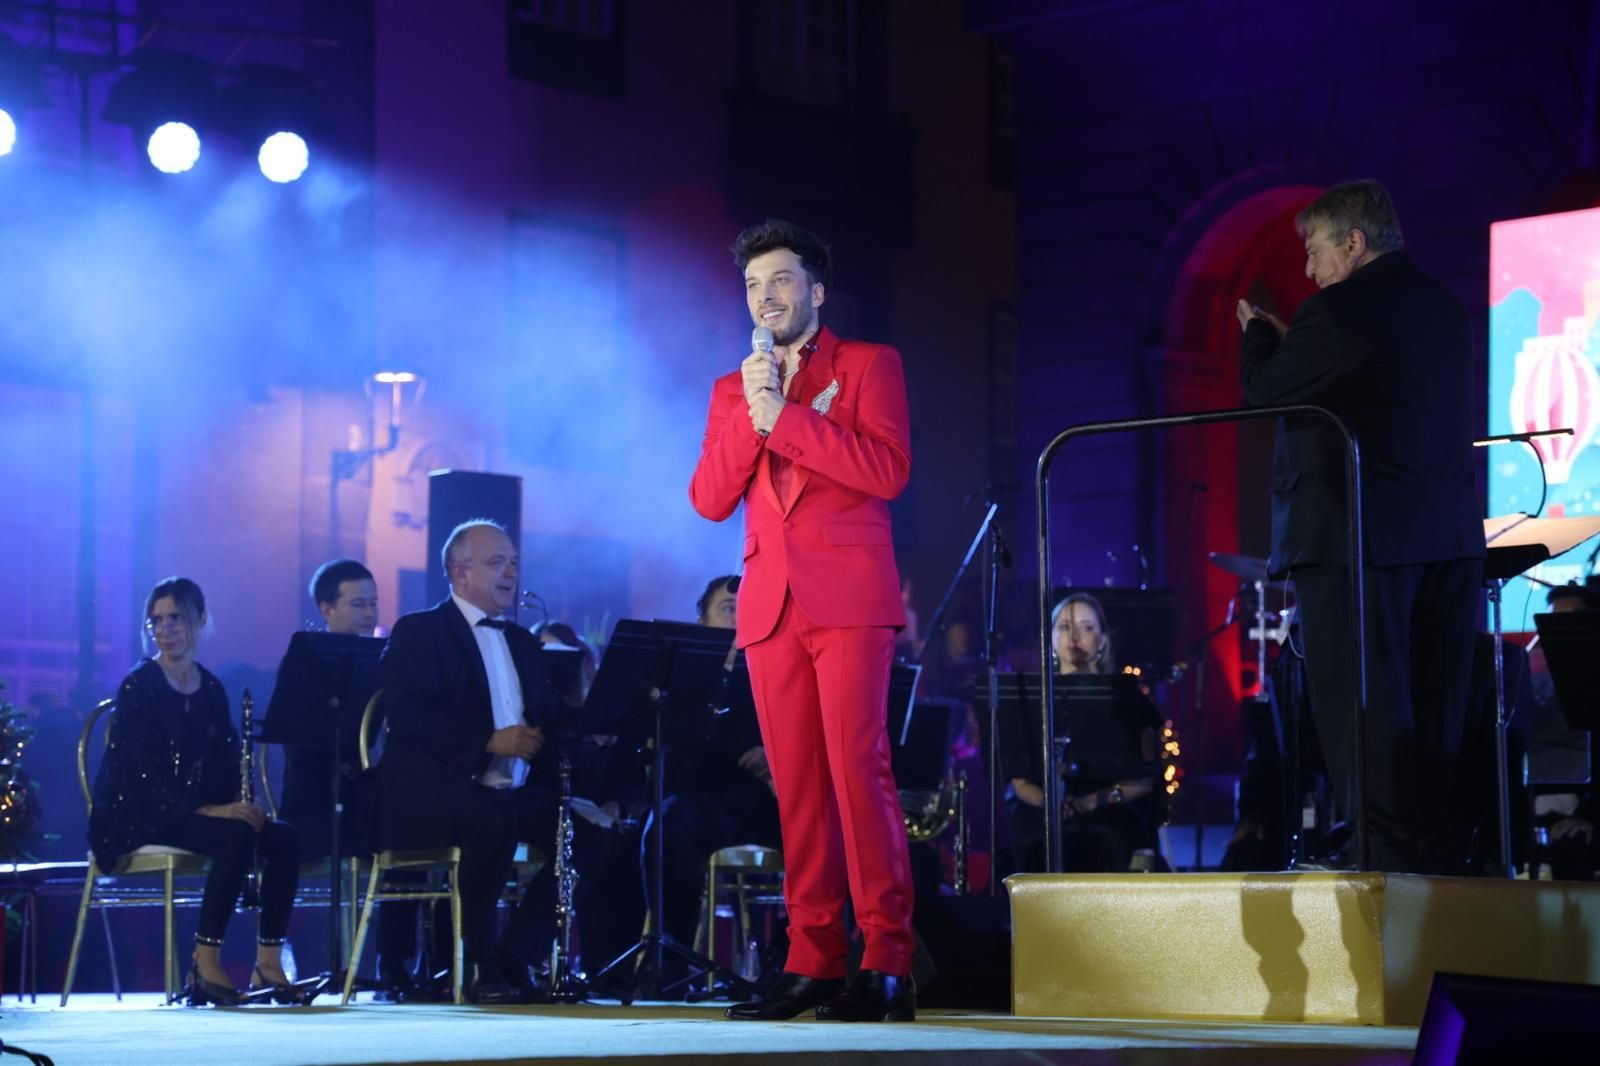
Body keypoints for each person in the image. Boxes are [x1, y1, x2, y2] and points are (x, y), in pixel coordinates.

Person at [690, 219, 916, 1022]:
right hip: (769, 605)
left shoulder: (867, 365)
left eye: (781, 280)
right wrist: (755, 415)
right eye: (754, 285)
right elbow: (710, 499)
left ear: (816, 290)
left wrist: (784, 416)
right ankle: (813, 959)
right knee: (799, 792)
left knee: (860, 773)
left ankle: (887, 956)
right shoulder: (733, 387)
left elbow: (885, 470)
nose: (767, 296)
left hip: (850, 596)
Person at [1237, 179, 1485, 874]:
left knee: (1361, 710)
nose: (1310, 269)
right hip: (1446, 541)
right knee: (1432, 710)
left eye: (1315, 249)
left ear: (1353, 242)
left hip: (1359, 543)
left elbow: (1265, 391)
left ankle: (1377, 859)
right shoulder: (1443, 307)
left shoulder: (1338, 311)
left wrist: (1258, 333)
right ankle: (1430, 862)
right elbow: (1371, 388)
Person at [88, 577, 303, 1006]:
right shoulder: (140, 685)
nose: (164, 630)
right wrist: (213, 810)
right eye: (156, 621)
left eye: (175, 619)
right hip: (141, 812)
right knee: (234, 835)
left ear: (200, 621)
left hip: (197, 813)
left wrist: (241, 806)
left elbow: (223, 766)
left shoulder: (210, 688)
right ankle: (205, 963)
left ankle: (268, 961)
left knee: (283, 837)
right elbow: (136, 777)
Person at [374, 520, 549, 1004]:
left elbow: (549, 723)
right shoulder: (420, 631)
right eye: (497, 562)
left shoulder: (524, 643)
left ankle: (516, 955)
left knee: (591, 831)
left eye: (513, 561)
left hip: (507, 792)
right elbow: (409, 715)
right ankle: (477, 965)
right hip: (432, 793)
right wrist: (490, 740)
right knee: (493, 818)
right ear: (458, 571)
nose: (510, 571)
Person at [642, 574, 782, 993]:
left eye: (746, 609)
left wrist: (771, 756)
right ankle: (673, 962)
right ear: (702, 622)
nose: (740, 618)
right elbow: (684, 744)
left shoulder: (773, 668)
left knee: (827, 830)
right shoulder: (681, 676)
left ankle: (790, 963)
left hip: (764, 799)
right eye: (728, 609)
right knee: (666, 827)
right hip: (703, 799)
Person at [1005, 594, 1164, 873]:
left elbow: (1145, 779)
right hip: (1044, 806)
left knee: (1110, 837)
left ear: (1102, 639)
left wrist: (1087, 803)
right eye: (1065, 627)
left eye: (1086, 627)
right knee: (1025, 837)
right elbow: (1020, 781)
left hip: (1109, 807)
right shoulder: (1030, 698)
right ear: (1051, 638)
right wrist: (1049, 803)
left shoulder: (1128, 699)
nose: (1074, 636)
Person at [275, 559, 378, 863]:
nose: (370, 614)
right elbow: (300, 746)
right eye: (359, 604)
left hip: (365, 799)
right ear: (326, 609)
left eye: (374, 603)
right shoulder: (304, 664)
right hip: (314, 802)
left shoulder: (383, 661)